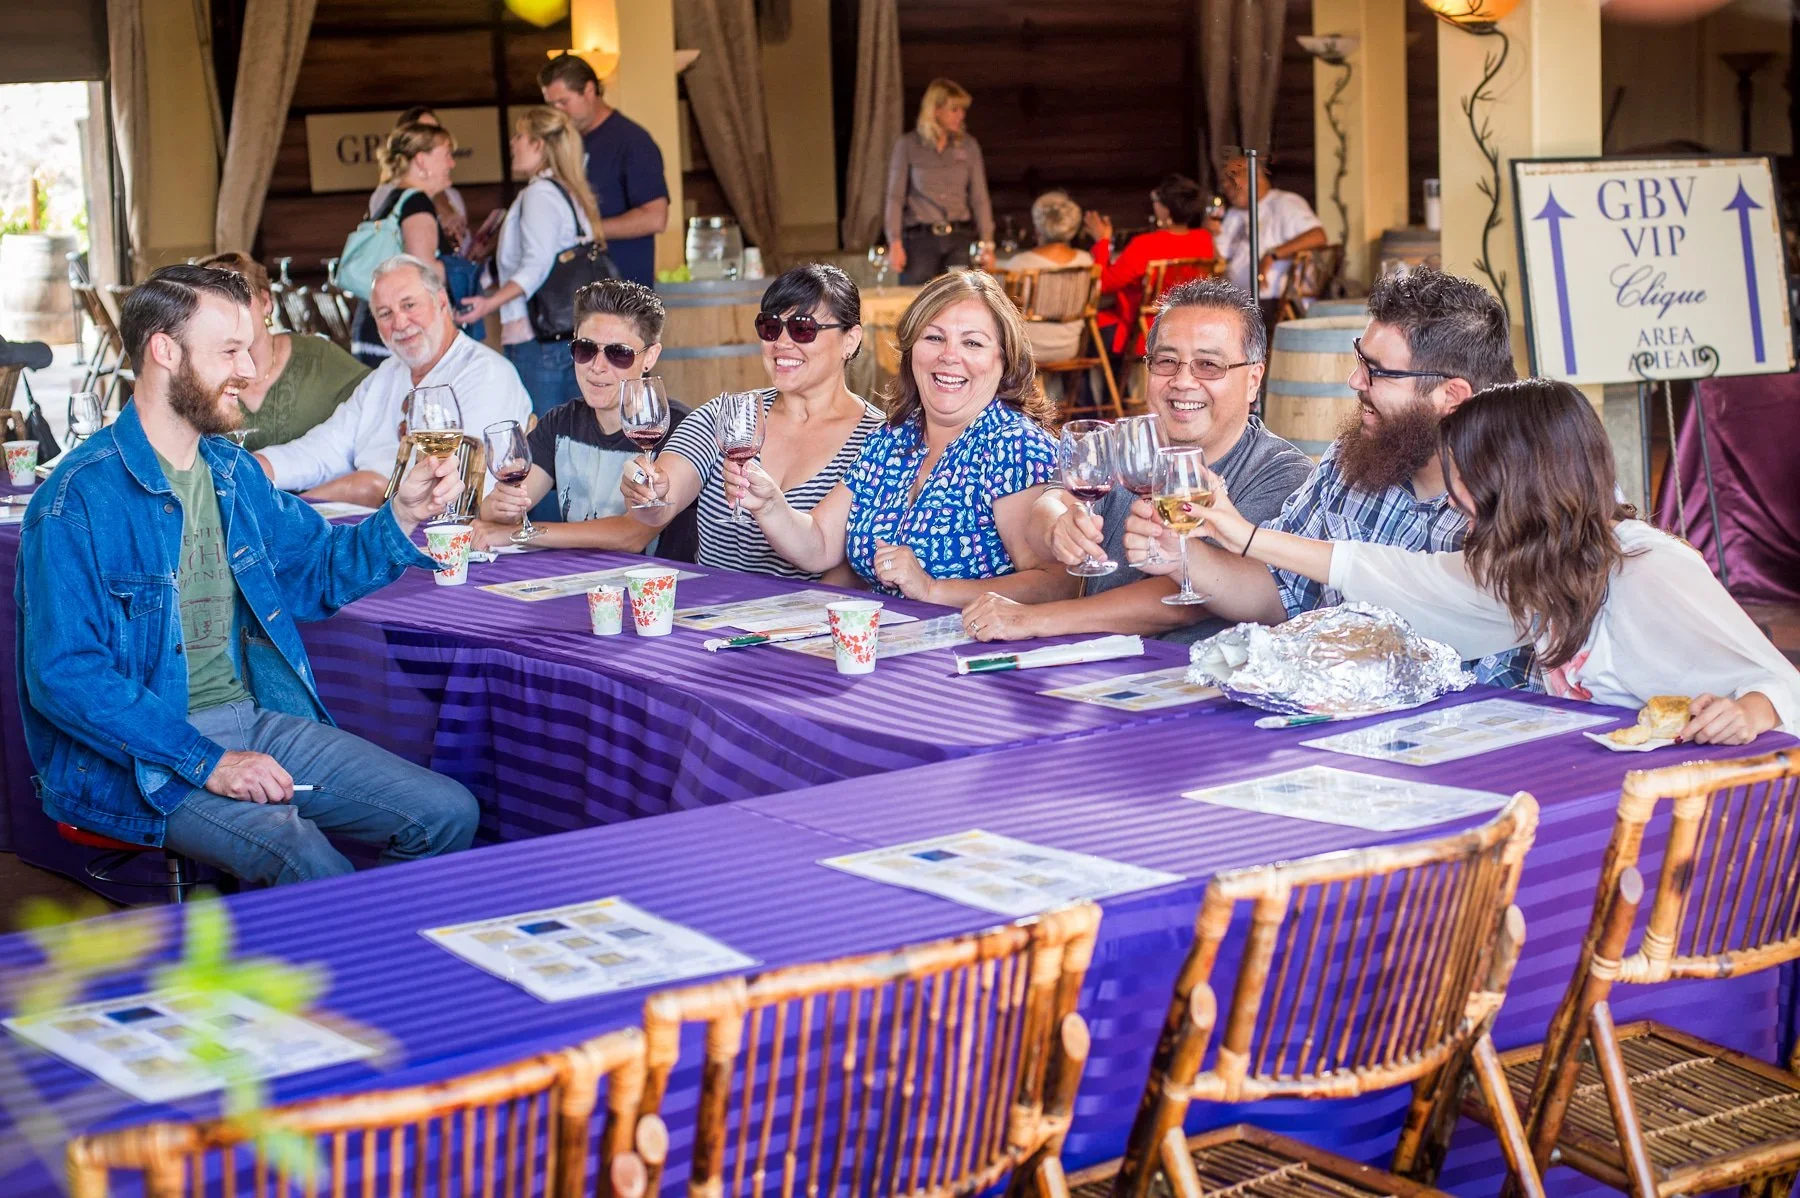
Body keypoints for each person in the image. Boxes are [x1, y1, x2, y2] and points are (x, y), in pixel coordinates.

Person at [16, 264, 480, 886]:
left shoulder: (231, 474)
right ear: (165, 351)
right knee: (305, 859)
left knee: (448, 813)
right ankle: (350, 969)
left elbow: (319, 571)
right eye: (230, 350)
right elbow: (65, 675)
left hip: (251, 719)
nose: (250, 369)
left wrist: (402, 513)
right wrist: (207, 761)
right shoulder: (76, 498)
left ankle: (366, 964)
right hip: (137, 753)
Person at [1190, 378, 1800, 744]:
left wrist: (1749, 710)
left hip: (1697, 805)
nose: (1455, 499)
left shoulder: (1649, 568)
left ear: (1523, 484)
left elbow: (1786, 684)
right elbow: (1384, 571)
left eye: (1468, 481)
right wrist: (1240, 534)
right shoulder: (1522, 567)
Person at [1123, 267, 1533, 687]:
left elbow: (1417, 587)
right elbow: (1277, 591)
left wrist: (1244, 535)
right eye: (1360, 358)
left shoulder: (1532, 496)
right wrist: (1182, 556)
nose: (1354, 380)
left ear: (1451, 397)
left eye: (1378, 371)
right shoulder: (1352, 461)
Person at [964, 279, 1312, 644]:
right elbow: (1050, 504)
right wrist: (1057, 528)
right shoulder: (1125, 444)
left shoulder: (1282, 474)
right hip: (1097, 669)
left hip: (1194, 683)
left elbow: (1184, 603)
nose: (1183, 381)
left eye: (1209, 365)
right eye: (1166, 361)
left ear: (1254, 380)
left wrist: (1036, 620)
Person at [724, 271, 1075, 608]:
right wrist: (770, 505)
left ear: (1004, 359)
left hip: (970, 656)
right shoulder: (892, 439)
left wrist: (933, 589)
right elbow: (819, 543)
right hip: (884, 649)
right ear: (911, 352)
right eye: (934, 337)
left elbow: (1056, 583)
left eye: (972, 342)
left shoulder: (1013, 444)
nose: (949, 356)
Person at [622, 263, 883, 581]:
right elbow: (658, 508)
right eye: (771, 327)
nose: (782, 343)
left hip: (808, 622)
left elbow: (850, 569)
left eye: (803, 329)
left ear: (850, 340)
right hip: (708, 618)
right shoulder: (725, 414)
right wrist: (644, 490)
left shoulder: (880, 440)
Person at [256, 255, 532, 507]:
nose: (399, 323)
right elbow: (324, 448)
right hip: (367, 523)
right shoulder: (385, 375)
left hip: (449, 534)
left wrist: (361, 490)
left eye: (409, 305)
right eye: (385, 314)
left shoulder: (485, 372)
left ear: (442, 303)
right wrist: (256, 468)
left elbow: (455, 483)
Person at [478, 280, 698, 559]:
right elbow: (496, 515)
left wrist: (529, 533)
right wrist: (499, 507)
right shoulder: (560, 423)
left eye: (618, 353)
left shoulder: (678, 428)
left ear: (649, 357)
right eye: (585, 348)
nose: (596, 366)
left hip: (661, 594)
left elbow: (632, 534)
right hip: (581, 585)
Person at [453, 107, 603, 418]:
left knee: (543, 437)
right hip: (561, 334)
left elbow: (535, 266)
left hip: (538, 338)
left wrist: (488, 303)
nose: (513, 143)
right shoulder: (565, 192)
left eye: (520, 136)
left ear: (538, 144)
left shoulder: (540, 195)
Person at [196, 252, 369, 453]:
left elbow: (381, 395)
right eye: (214, 306)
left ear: (266, 302)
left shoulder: (317, 356)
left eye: (239, 296)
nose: (228, 312)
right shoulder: (197, 373)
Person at [539, 54, 670, 288]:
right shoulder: (564, 143)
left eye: (564, 102)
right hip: (578, 289)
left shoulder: (632, 140)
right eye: (552, 105)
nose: (558, 112)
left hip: (623, 289)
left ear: (589, 91)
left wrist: (585, 229)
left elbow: (655, 218)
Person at [351, 121, 459, 367]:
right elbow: (423, 270)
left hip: (378, 326)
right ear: (421, 160)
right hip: (401, 335)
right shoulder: (416, 203)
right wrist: (470, 271)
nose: (451, 164)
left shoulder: (391, 198)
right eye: (447, 155)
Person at [1085, 174, 1218, 355]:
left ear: (1165, 210)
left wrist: (1102, 242)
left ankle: (1108, 384)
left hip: (1146, 332)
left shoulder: (1146, 244)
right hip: (1190, 328)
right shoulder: (1204, 239)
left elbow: (1104, 284)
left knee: (1088, 332)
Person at [885, 78, 996, 284]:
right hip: (920, 240)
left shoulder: (968, 146)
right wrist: (895, 242)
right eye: (954, 109)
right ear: (935, 110)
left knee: (960, 298)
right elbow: (895, 197)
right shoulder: (908, 145)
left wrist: (987, 244)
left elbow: (980, 197)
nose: (960, 115)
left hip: (959, 239)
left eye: (962, 110)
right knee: (917, 302)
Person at [1211, 151, 1326, 309]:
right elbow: (1218, 258)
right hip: (1236, 302)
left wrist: (1272, 255)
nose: (1225, 186)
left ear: (1254, 177)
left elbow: (1317, 236)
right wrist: (1209, 233)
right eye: (1223, 182)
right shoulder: (1233, 213)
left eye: (1232, 178)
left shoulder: (1284, 203)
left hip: (1275, 301)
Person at [999, 190, 1094, 364]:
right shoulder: (1085, 261)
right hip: (1069, 349)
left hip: (1026, 350)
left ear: (1038, 227)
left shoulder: (1020, 263)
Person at [368, 107, 470, 254]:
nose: (452, 163)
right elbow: (422, 265)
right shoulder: (410, 200)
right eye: (424, 131)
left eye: (436, 129)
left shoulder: (451, 195)